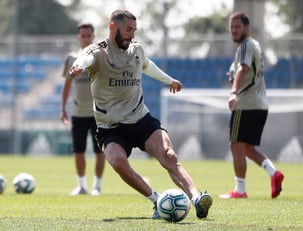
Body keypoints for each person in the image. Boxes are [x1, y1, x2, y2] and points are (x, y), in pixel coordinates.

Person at [68, 9, 212, 219]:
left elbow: (147, 65)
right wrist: (78, 67)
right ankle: (156, 201)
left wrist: (169, 80)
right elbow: (84, 59)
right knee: (117, 161)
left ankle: (197, 198)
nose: (132, 34)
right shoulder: (97, 52)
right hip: (110, 127)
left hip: (140, 119)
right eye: (128, 30)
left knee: (169, 155)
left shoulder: (136, 50)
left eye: (134, 30)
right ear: (112, 27)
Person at [219, 12, 284, 199]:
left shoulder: (247, 44)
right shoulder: (250, 46)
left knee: (235, 145)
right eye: (231, 27)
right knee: (248, 148)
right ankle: (274, 173)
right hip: (260, 105)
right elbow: (243, 72)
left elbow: (243, 69)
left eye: (237, 27)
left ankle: (240, 190)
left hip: (246, 104)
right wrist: (234, 77)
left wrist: (233, 92)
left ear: (246, 28)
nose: (234, 30)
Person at [61, 23, 105, 196]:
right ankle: (81, 185)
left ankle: (97, 186)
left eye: (89, 35)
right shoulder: (71, 58)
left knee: (99, 151)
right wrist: (63, 108)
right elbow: (67, 84)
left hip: (98, 112)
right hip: (78, 112)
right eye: (83, 35)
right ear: (79, 37)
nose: (86, 38)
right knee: (78, 150)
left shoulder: (99, 56)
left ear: (93, 36)